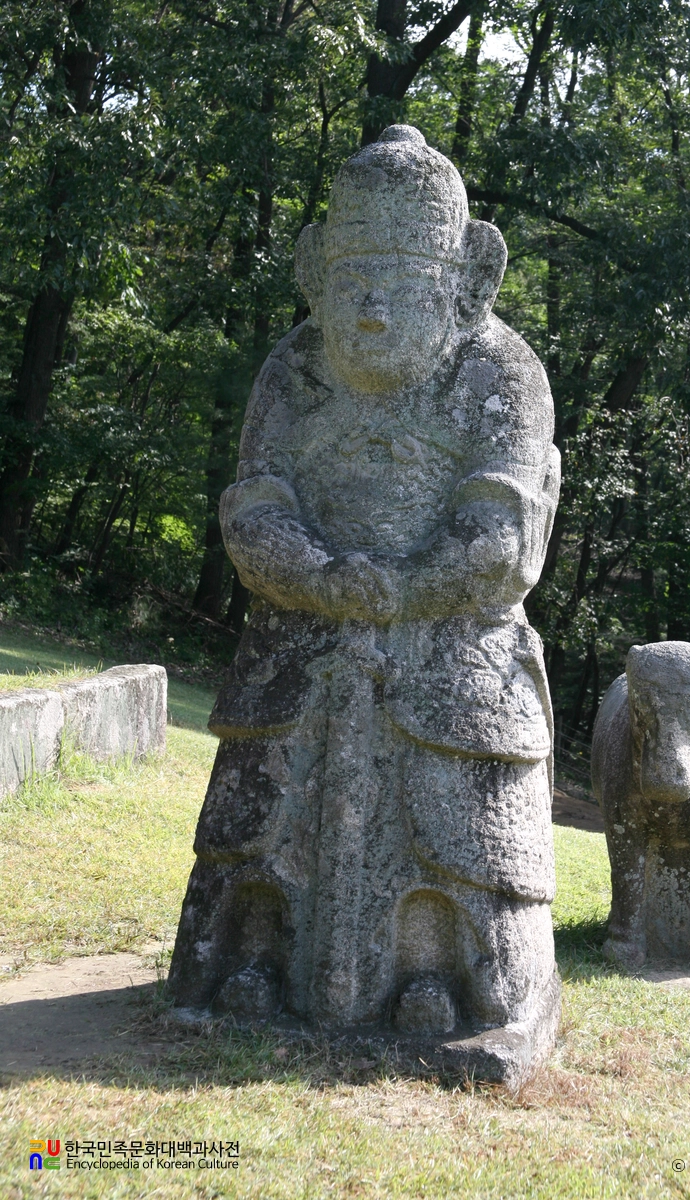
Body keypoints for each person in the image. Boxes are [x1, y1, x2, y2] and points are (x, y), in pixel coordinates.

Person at [168, 126, 561, 1040]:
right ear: (315, 275)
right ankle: (247, 960)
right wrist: (313, 573)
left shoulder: (500, 371)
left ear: (464, 282)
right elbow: (254, 505)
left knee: (469, 836)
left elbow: (498, 531)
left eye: (399, 284)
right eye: (350, 284)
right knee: (255, 822)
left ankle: (454, 979)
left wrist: (399, 588)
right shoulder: (293, 369)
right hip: (301, 634)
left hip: (455, 645)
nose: (372, 310)